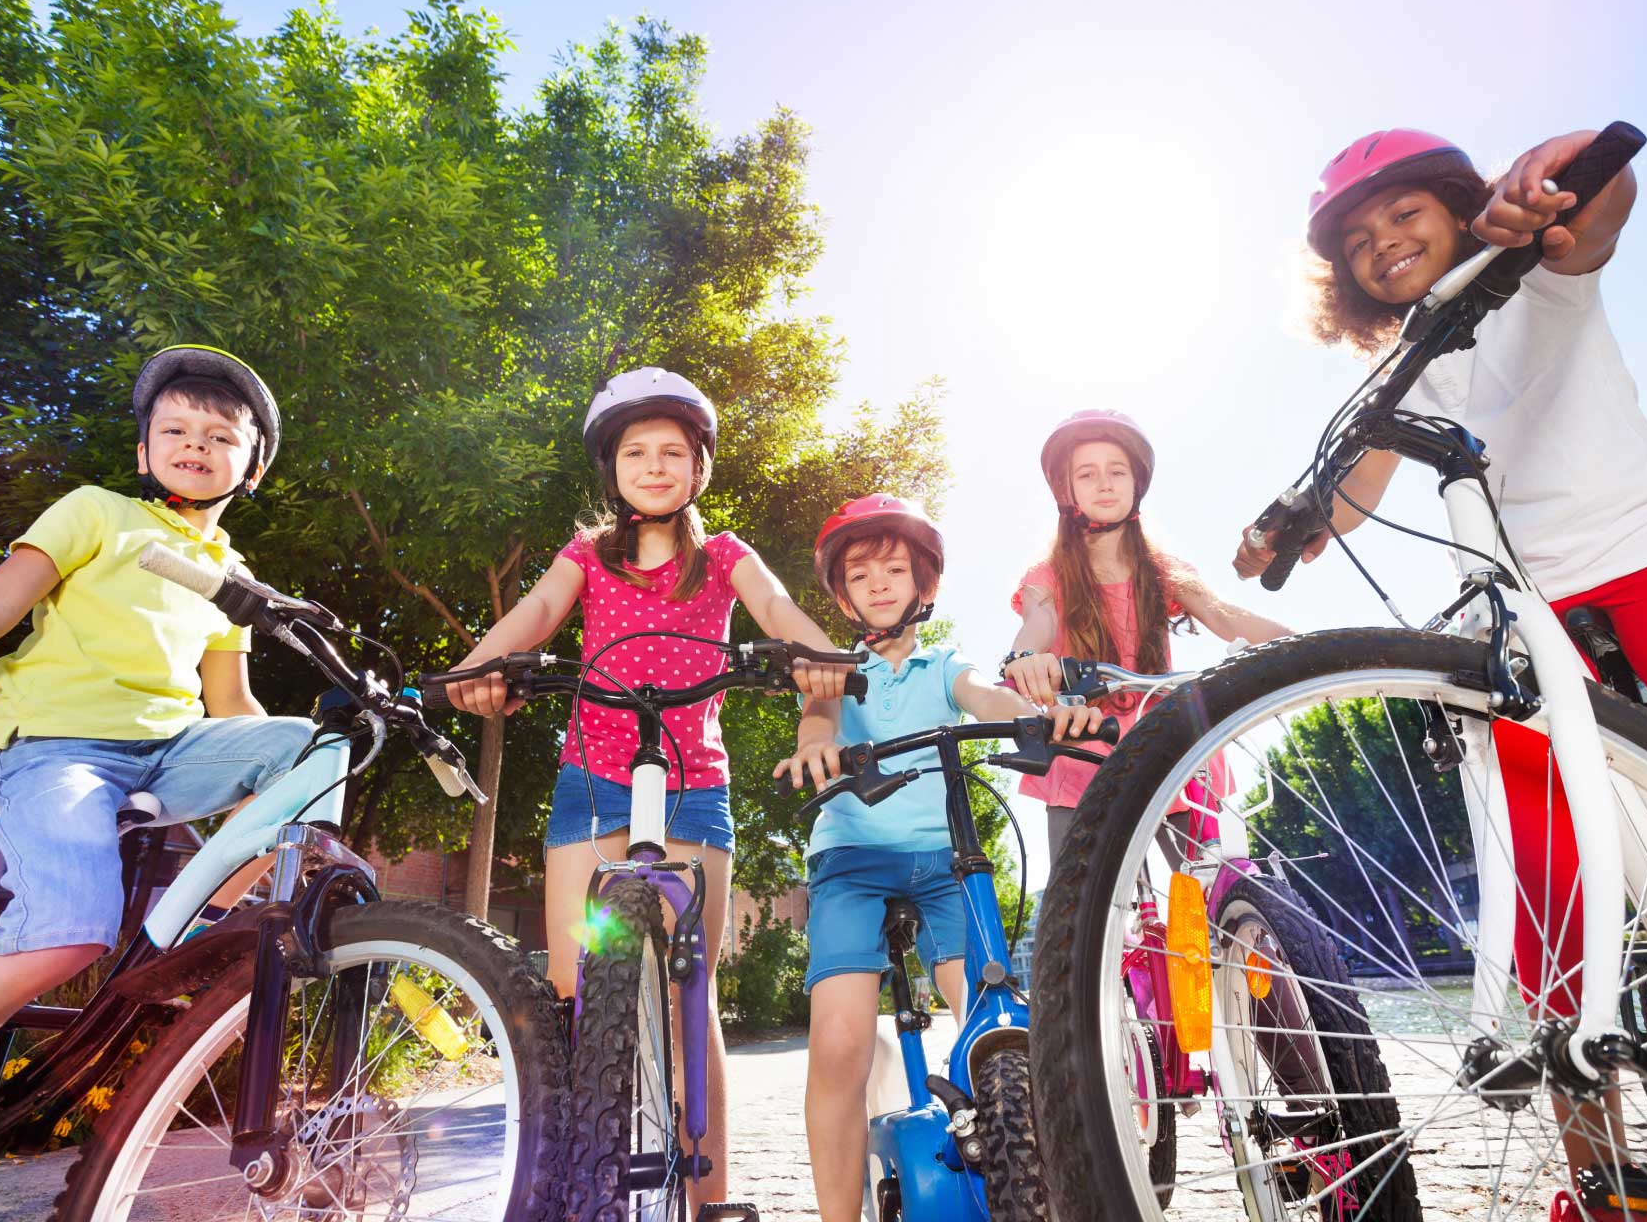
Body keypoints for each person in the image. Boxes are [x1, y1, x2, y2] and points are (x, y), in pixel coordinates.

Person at [1236, 127, 1647, 1222]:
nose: (1383, 243)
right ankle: (1602, 1177)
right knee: (1545, 897)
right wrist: (1294, 520)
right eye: (1357, 240)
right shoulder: (1401, 362)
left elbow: (1608, 192)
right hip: (1525, 629)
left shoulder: (1537, 273)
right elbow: (1355, 488)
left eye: (1403, 214)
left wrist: (1556, 174)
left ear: (1458, 202)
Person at [441, 366, 852, 1212]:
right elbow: (535, 611)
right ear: (613, 469)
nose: (656, 465)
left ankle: (710, 1199)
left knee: (686, 994)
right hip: (593, 778)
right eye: (637, 452)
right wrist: (478, 667)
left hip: (694, 784)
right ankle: (563, 1178)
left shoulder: (726, 555)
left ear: (698, 467)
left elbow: (775, 610)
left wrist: (822, 660)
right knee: (570, 984)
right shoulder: (587, 554)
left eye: (674, 451)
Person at [0, 346, 315, 1111]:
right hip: (57, 746)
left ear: (252, 470)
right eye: (175, 430)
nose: (195, 446)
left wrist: (291, 794)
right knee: (67, 934)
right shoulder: (98, 513)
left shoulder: (232, 576)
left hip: (169, 753)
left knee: (312, 750)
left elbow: (231, 703)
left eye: (219, 437)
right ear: (143, 450)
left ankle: (187, 922)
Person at [774, 493, 1103, 1222]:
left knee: (992, 1018)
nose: (882, 583)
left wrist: (1037, 716)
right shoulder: (834, 670)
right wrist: (814, 751)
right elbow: (817, 719)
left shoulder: (940, 665)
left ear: (924, 587)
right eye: (862, 575)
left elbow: (984, 697)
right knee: (838, 1041)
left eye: (896, 569)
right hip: (852, 860)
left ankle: (1032, 1181)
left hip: (945, 861)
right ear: (843, 595)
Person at [1003, 409, 1291, 865]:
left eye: (1117, 471)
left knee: (1215, 878)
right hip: (1084, 743)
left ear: (1136, 484)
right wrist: (1023, 657)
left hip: (1169, 740)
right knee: (1077, 906)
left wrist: (1307, 648)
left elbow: (1224, 616)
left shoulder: (1163, 572)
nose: (1105, 483)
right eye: (1088, 473)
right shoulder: (1051, 575)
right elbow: (1038, 621)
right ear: (1067, 490)